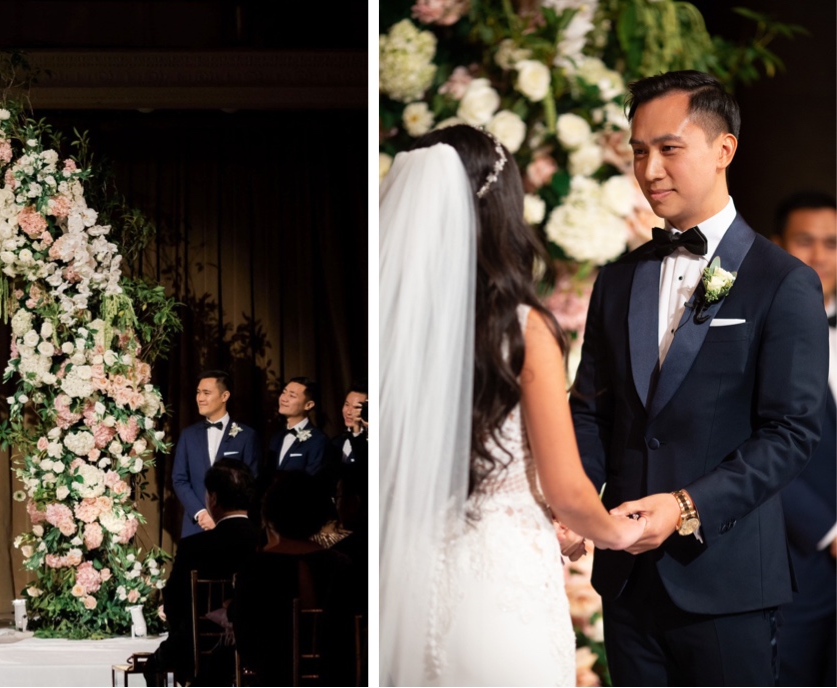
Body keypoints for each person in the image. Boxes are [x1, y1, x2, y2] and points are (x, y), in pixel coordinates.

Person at [570, 71, 828, 686]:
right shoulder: (617, 279)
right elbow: (591, 410)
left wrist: (686, 506)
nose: (649, 168)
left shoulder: (783, 280)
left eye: (668, 148)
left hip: (728, 579)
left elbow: (791, 433)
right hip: (627, 583)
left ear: (724, 150)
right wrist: (574, 501)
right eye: (638, 151)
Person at [379, 123, 647, 685]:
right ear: (504, 209)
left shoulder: (397, 334)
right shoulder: (520, 330)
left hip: (409, 576)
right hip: (499, 583)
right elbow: (568, 490)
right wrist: (620, 533)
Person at [769, 190, 836, 686]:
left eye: (832, 243)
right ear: (778, 245)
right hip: (796, 554)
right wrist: (829, 531)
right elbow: (752, 441)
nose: (819, 255)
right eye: (805, 241)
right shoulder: (758, 328)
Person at [232, 476, 353, 686]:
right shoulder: (341, 565)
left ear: (269, 517)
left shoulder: (254, 568)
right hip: (334, 677)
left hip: (273, 676)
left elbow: (246, 645)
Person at [153, 460, 261, 683]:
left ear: (213, 499)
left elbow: (174, 601)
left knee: (155, 664)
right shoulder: (266, 544)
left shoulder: (194, 547)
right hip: (260, 645)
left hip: (197, 647)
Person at [169, 370, 260, 538]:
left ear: (224, 396)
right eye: (198, 392)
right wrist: (201, 513)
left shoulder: (246, 435)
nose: (200, 398)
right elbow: (179, 478)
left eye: (206, 393)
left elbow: (251, 481)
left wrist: (224, 517)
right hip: (196, 527)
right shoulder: (188, 435)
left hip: (234, 529)